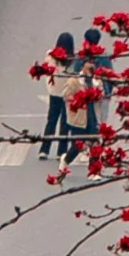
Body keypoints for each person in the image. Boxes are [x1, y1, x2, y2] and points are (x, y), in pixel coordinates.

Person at [37, 32, 75, 161]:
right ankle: (61, 151)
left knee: (51, 121)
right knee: (65, 123)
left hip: (54, 93)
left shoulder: (50, 56)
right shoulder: (72, 60)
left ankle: (44, 150)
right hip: (67, 95)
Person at [60, 60, 100, 177]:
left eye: (92, 69)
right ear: (82, 67)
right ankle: (66, 160)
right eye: (88, 68)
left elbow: (101, 96)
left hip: (92, 118)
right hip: (79, 119)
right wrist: (80, 99)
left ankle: (93, 172)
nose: (90, 71)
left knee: (95, 144)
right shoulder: (74, 81)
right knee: (78, 145)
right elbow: (66, 96)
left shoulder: (96, 81)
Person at [77, 27, 113, 129]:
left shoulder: (81, 57)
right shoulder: (105, 57)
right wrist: (108, 93)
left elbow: (75, 73)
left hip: (87, 94)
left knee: (89, 122)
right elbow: (110, 77)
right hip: (103, 94)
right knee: (101, 121)